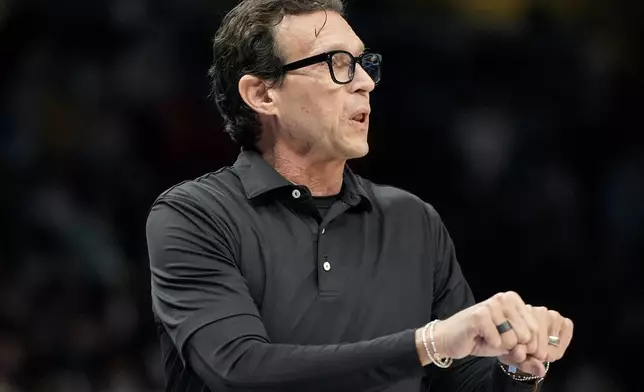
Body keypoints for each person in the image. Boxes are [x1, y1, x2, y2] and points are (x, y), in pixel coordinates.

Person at [145, 1, 574, 391]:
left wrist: (519, 365)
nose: (366, 82)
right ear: (262, 94)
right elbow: (241, 370)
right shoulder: (194, 216)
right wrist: (431, 341)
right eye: (337, 63)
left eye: (363, 63)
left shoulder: (414, 221)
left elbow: (466, 384)